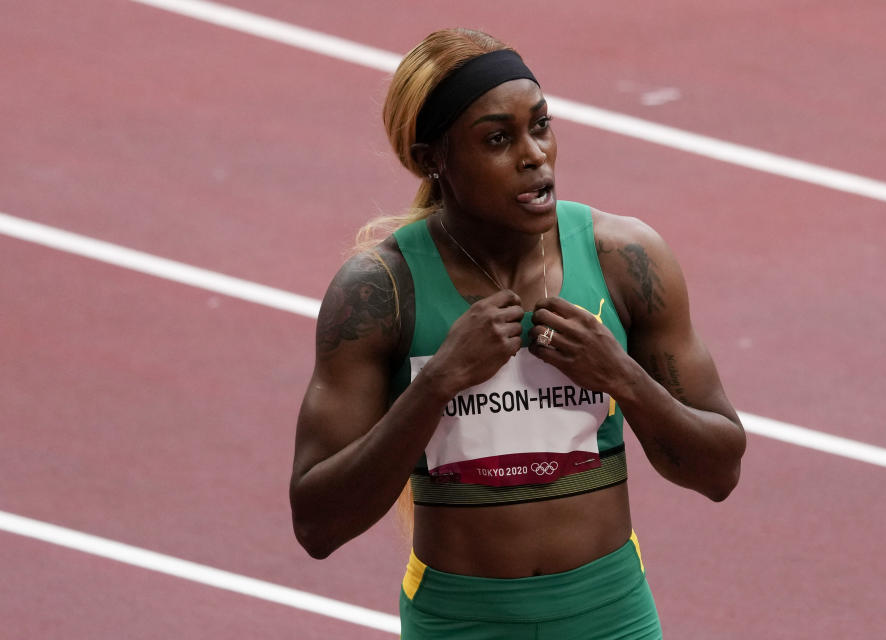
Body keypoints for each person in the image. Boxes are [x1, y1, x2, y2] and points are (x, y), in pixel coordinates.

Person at [290, 28, 746, 640]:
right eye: (498, 139)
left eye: (541, 125)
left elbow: (718, 472)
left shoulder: (624, 260)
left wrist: (622, 378)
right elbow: (318, 524)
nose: (535, 155)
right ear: (434, 160)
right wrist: (437, 385)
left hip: (608, 614)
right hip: (459, 621)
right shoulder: (380, 292)